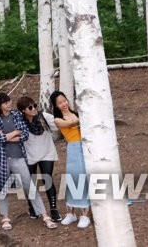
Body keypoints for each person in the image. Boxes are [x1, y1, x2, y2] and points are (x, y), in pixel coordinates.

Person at [0, 91, 58, 230]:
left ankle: (44, 215)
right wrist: (15, 133)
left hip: (18, 157)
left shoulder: (16, 115)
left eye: (9, 101)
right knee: (2, 188)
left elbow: (25, 133)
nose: (9, 104)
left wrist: (9, 136)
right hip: (1, 158)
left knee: (29, 185)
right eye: (6, 102)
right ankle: (5, 217)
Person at [49, 90, 92, 228]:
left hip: (85, 147)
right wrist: (83, 117)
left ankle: (85, 214)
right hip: (73, 149)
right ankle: (71, 213)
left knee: (84, 179)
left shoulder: (75, 113)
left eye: (64, 100)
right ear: (56, 106)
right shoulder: (57, 119)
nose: (63, 104)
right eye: (60, 103)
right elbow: (69, 125)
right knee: (73, 178)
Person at [16, 96, 62, 222]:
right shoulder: (19, 121)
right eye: (30, 107)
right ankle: (32, 207)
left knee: (47, 178)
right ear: (23, 110)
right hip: (29, 155)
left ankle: (54, 209)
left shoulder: (44, 117)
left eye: (35, 105)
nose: (34, 109)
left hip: (46, 152)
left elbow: (58, 124)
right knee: (30, 182)